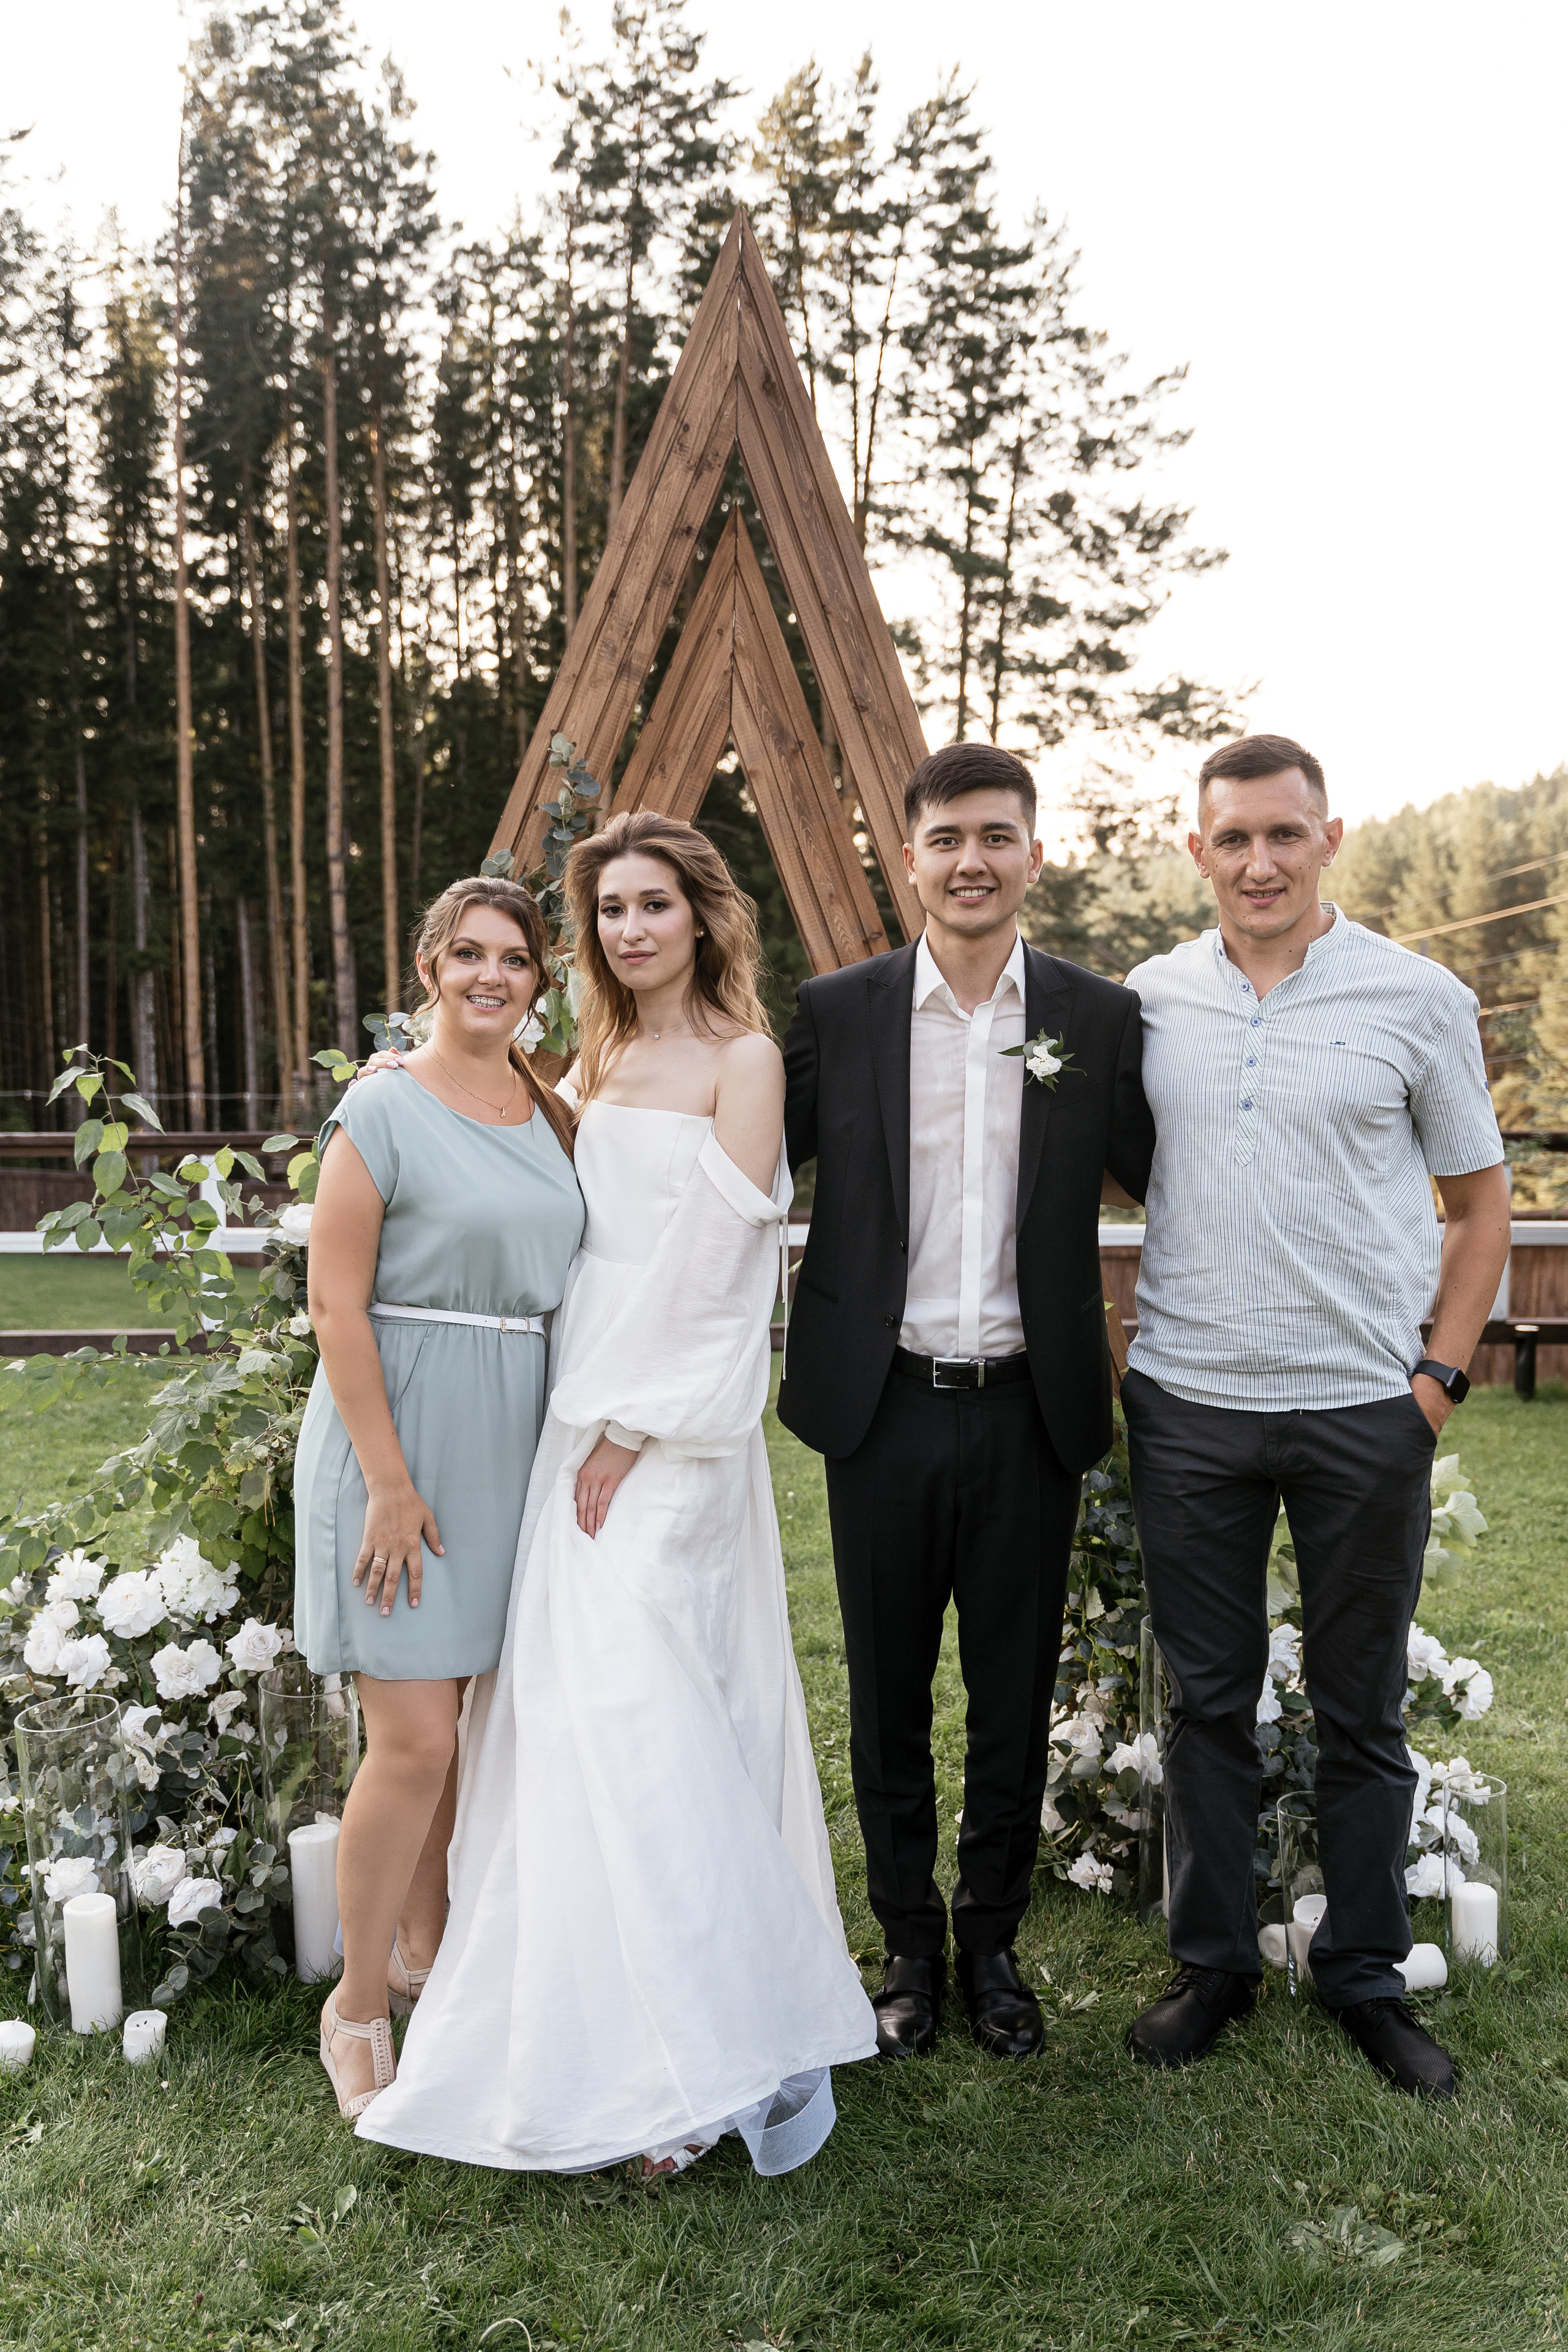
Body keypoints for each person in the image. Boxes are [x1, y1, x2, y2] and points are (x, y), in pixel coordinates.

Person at [358, 810, 876, 2177]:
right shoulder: (592, 1060)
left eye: (655, 904)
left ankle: (696, 2066)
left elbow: (721, 1269)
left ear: (703, 916)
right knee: (568, 1723)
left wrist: (631, 1433)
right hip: (564, 1421)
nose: (631, 930)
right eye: (610, 914)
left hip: (662, 1444)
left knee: (645, 1716)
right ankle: (592, 2030)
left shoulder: (744, 1059)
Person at [1120, 733, 1510, 2098]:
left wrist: (1435, 1383)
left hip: (1362, 1410)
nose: (1258, 861)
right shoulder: (1147, 999)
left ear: (1326, 837)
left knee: (1360, 1714)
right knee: (1203, 1708)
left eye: (1283, 834)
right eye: (1231, 838)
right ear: (1196, 849)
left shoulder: (1414, 996)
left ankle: (1361, 1975)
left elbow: (1478, 1208)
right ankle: (1211, 1966)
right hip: (1187, 1405)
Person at [778, 742, 1156, 2063]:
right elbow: (713, 1143)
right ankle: (905, 1951)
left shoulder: (1094, 1020)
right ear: (911, 857)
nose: (971, 862)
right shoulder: (838, 1011)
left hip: (1027, 1406)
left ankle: (992, 1946)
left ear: (1032, 855)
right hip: (875, 1405)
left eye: (996, 837)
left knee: (1008, 1693)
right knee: (884, 1697)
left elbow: (1180, 1174)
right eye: (945, 839)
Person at [293, 877, 584, 2119]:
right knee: (411, 1740)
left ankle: (433, 1957)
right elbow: (332, 1304)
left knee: (461, 1731)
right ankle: (355, 2006)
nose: (489, 976)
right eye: (466, 954)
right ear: (426, 967)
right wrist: (390, 1485)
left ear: (538, 979)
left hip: (512, 1436)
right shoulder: (381, 1107)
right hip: (395, 1440)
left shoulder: (551, 1110)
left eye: (512, 959)